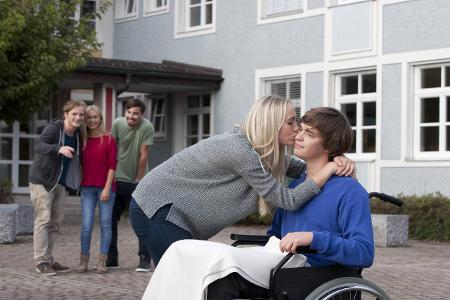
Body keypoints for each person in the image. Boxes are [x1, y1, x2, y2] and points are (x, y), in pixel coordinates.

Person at [130, 96, 355, 268]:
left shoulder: (264, 156)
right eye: (291, 122)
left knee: (188, 280)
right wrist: (331, 168)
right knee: (184, 277)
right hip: (155, 208)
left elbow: (308, 168)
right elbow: (288, 200)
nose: (296, 129)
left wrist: (335, 158)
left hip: (173, 216)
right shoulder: (240, 151)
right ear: (272, 123)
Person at [207, 107, 374, 300]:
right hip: (285, 267)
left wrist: (313, 238)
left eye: (309, 133)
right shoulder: (295, 188)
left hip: (320, 275)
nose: (299, 136)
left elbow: (364, 252)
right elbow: (276, 236)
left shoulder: (350, 191)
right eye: (300, 129)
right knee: (216, 272)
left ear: (329, 145)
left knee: (226, 280)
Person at [29, 99, 86, 276]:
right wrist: (58, 148)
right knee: (43, 220)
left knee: (55, 223)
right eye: (74, 114)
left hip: (60, 183)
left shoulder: (78, 134)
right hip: (42, 181)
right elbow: (38, 146)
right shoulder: (55, 128)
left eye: (81, 115)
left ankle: (49, 259)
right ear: (66, 115)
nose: (78, 117)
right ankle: (41, 261)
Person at [107, 98, 154, 272]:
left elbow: (144, 154)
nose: (131, 116)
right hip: (117, 179)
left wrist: (138, 180)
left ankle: (144, 259)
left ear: (142, 115)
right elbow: (111, 149)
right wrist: (110, 175)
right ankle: (111, 258)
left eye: (135, 113)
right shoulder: (118, 124)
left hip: (137, 181)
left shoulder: (147, 127)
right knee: (110, 220)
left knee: (140, 221)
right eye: (129, 112)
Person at [78, 105, 117, 273]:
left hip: (106, 188)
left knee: (106, 225)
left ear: (100, 119)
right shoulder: (82, 140)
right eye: (89, 117)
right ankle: (83, 261)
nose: (92, 120)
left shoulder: (108, 139)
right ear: (85, 120)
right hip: (86, 188)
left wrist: (107, 188)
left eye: (95, 117)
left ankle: (102, 260)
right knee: (86, 225)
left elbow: (112, 166)